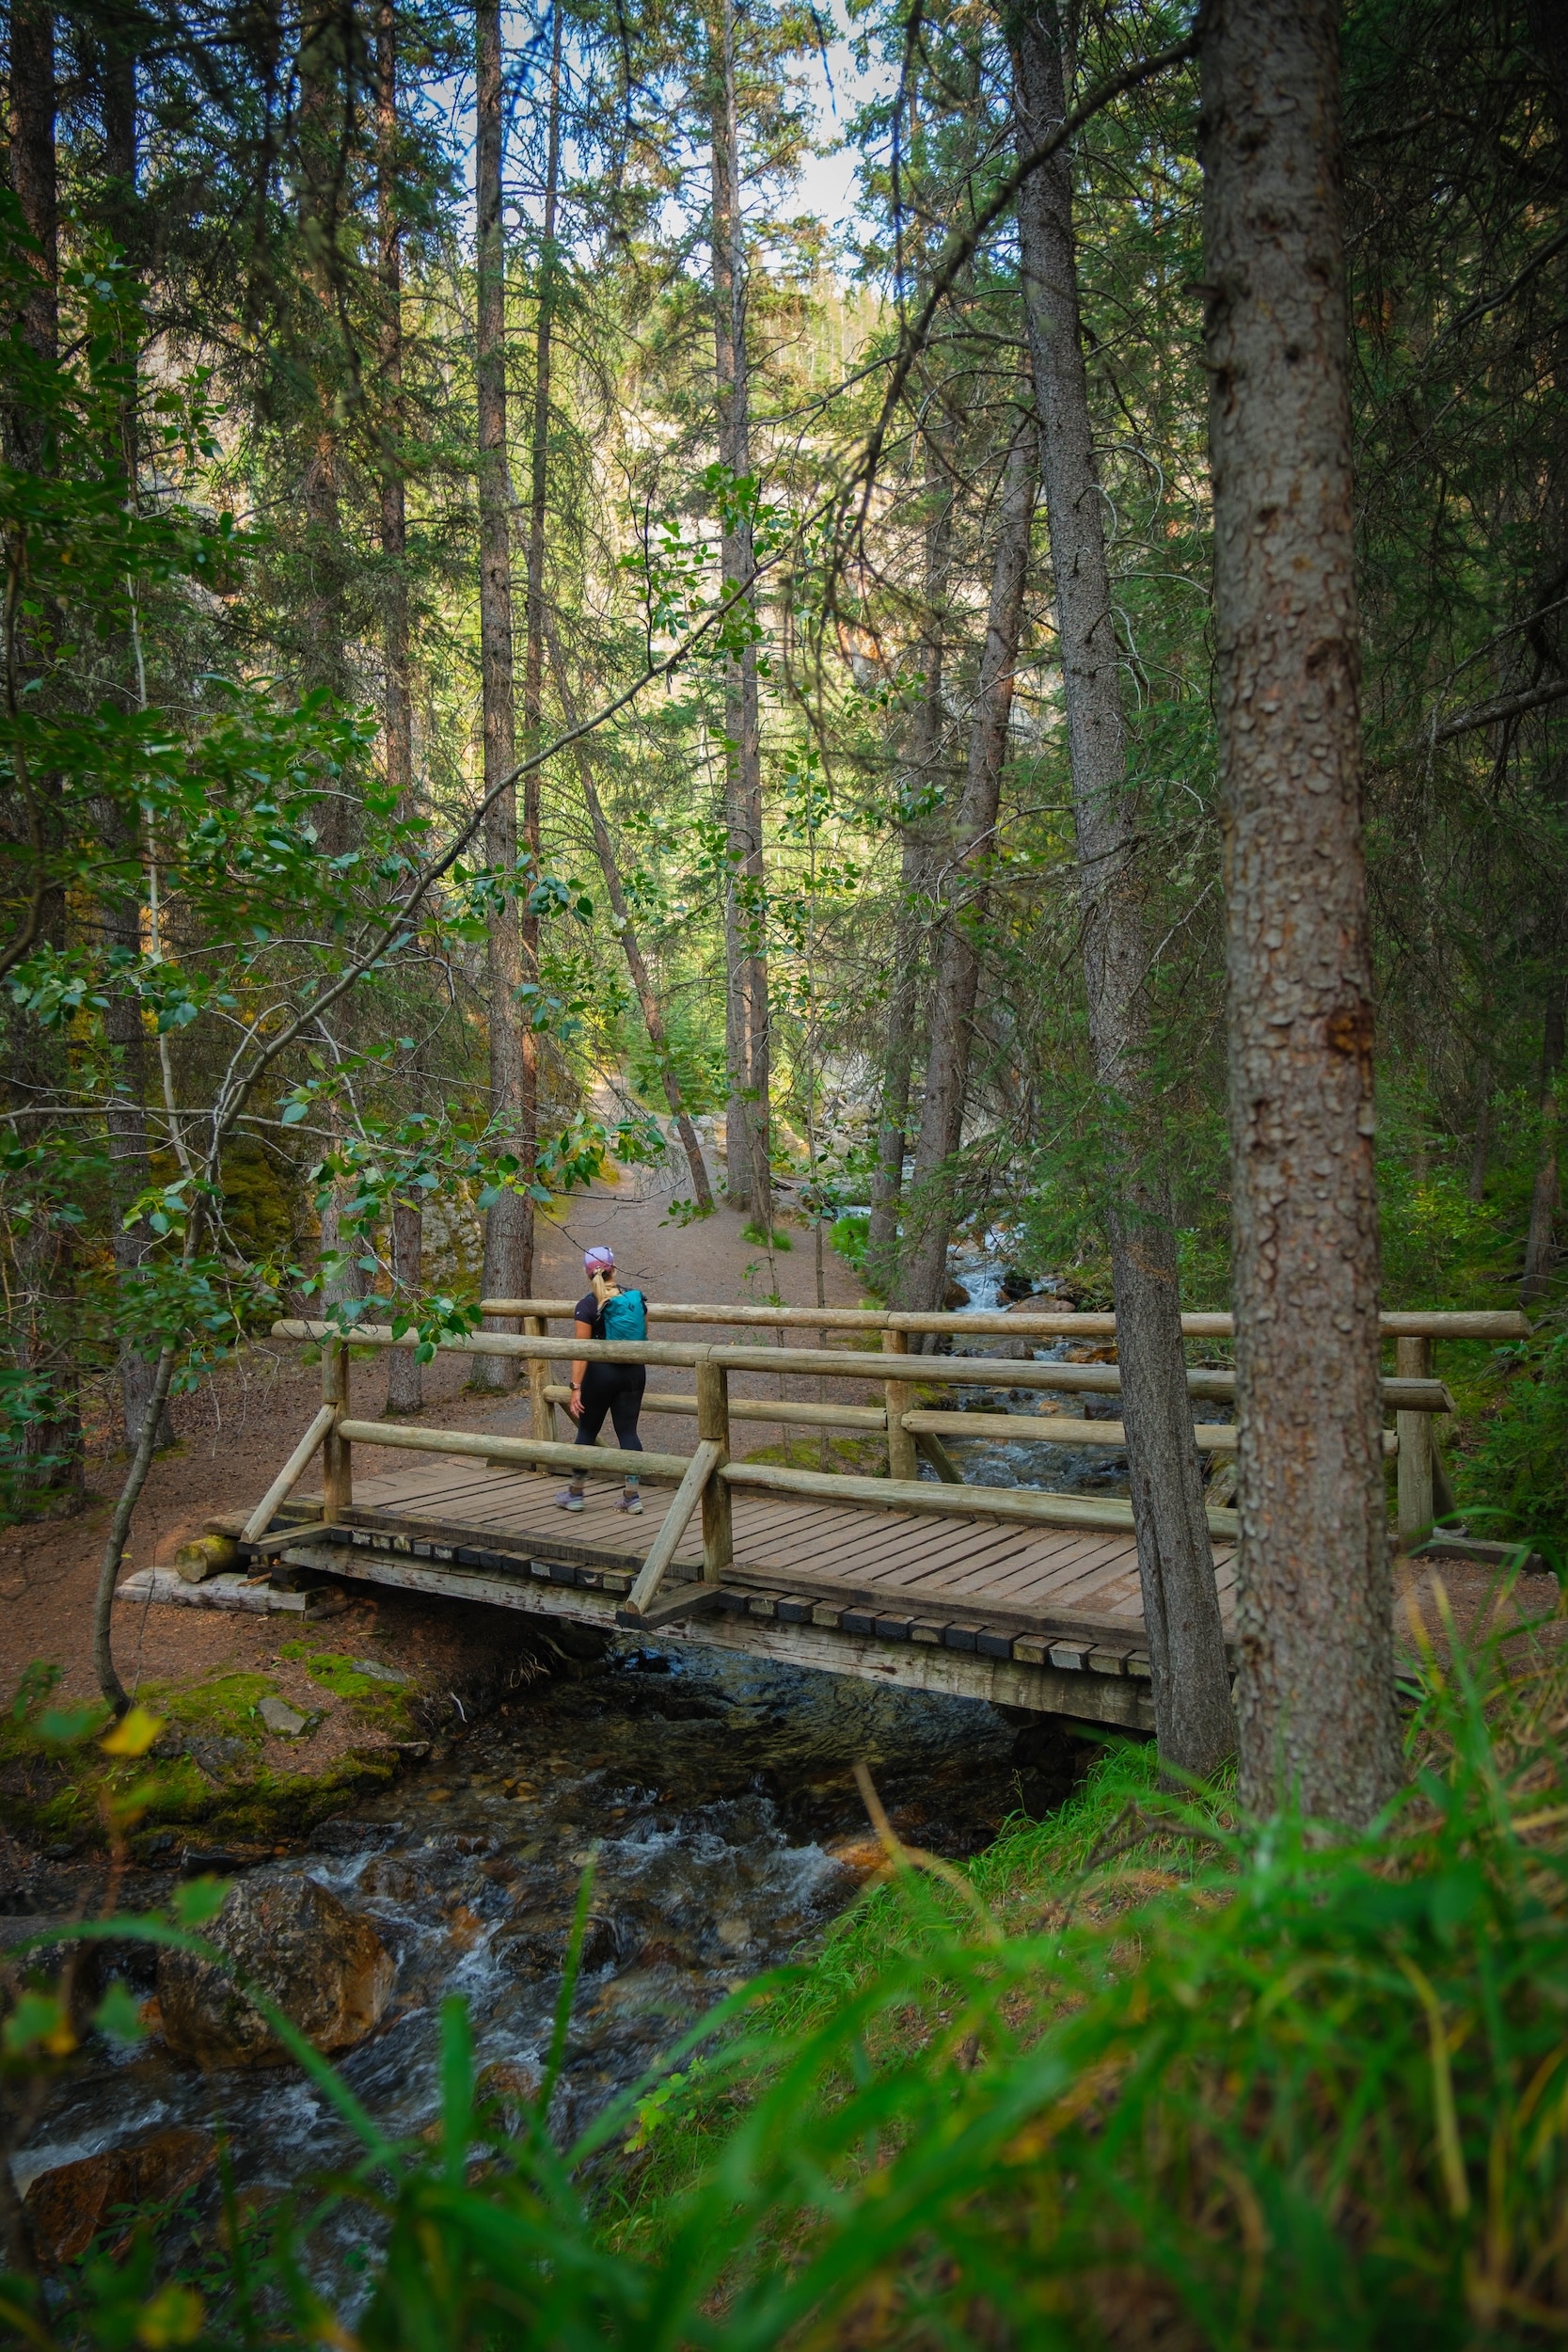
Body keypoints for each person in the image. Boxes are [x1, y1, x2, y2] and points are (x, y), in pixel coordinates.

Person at [557, 1245, 646, 1513]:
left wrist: (576, 1387)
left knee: (587, 1430)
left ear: (587, 1274)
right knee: (628, 1432)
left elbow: (581, 1351)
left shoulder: (587, 1305)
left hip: (600, 1375)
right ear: (613, 1269)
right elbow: (643, 1335)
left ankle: (575, 1493)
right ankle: (632, 1496)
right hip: (633, 1372)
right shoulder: (633, 1299)